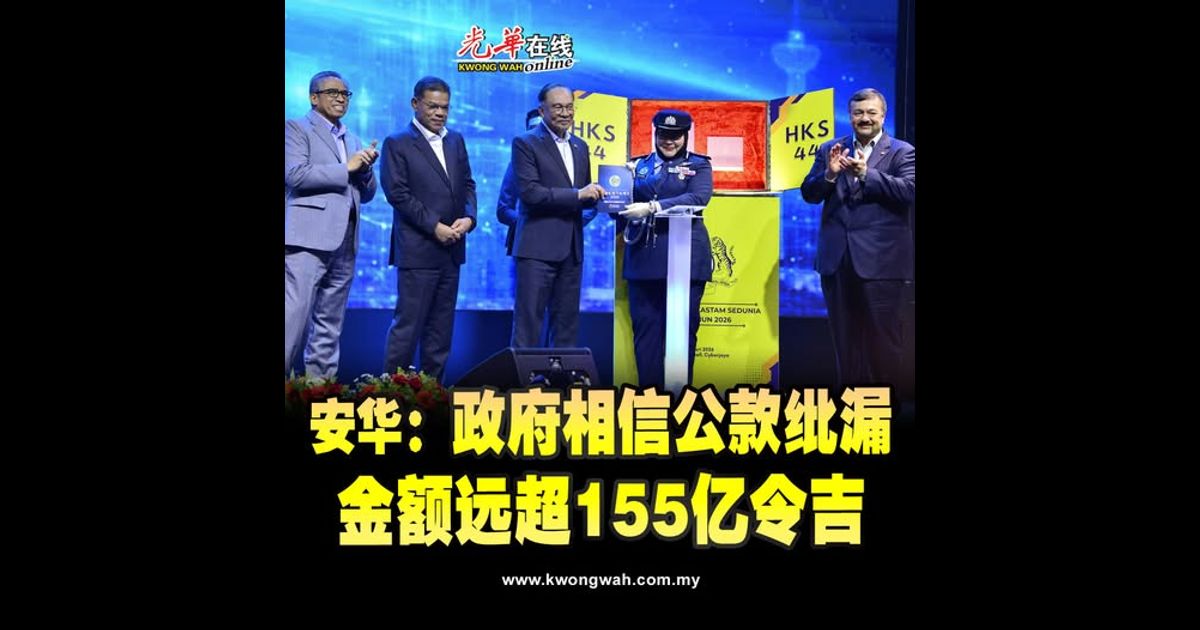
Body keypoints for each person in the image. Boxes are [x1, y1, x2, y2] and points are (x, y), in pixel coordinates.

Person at [800, 88, 915, 388]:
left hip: (882, 264)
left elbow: (909, 191)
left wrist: (867, 174)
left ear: (883, 116)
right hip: (836, 262)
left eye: (871, 113)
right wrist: (828, 175)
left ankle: (885, 405)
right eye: (858, 113)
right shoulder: (831, 149)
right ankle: (849, 404)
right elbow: (809, 193)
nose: (865, 118)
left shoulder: (902, 151)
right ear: (850, 116)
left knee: (883, 343)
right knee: (845, 343)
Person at [380, 76, 477, 380]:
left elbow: (468, 184)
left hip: (452, 249)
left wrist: (469, 218)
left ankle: (432, 393)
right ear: (415, 104)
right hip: (418, 250)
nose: (439, 113)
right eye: (433, 106)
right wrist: (434, 226)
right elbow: (397, 194)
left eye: (445, 107)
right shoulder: (397, 142)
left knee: (440, 331)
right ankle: (393, 393)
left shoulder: (455, 140)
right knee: (408, 328)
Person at [285, 70, 378, 378]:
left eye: (345, 94)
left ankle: (319, 387)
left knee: (330, 321)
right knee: (293, 317)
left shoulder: (352, 138)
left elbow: (367, 194)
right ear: (314, 98)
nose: (340, 98)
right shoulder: (296, 128)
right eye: (333, 93)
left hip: (345, 239)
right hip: (307, 238)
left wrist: (365, 170)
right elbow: (295, 175)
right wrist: (346, 167)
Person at [617, 109, 713, 390]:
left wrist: (652, 206)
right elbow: (617, 212)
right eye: (663, 135)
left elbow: (698, 197)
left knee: (683, 334)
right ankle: (650, 400)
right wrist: (616, 187)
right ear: (655, 134)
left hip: (686, 259)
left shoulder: (699, 165)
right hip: (644, 260)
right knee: (645, 334)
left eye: (675, 136)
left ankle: (680, 400)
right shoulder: (637, 166)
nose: (669, 142)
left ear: (686, 136)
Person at [509, 83, 604, 348]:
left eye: (569, 107)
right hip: (536, 250)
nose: (565, 113)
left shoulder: (580, 146)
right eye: (558, 107)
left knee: (566, 326)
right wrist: (579, 194)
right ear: (542, 110)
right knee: (528, 325)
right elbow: (531, 194)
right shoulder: (525, 143)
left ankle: (560, 374)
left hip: (571, 250)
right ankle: (523, 375)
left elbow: (584, 196)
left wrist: (607, 195)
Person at [496, 108, 544, 256]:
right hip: (524, 245)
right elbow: (503, 210)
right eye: (532, 130)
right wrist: (529, 222)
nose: (536, 136)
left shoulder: (566, 160)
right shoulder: (516, 164)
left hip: (560, 246)